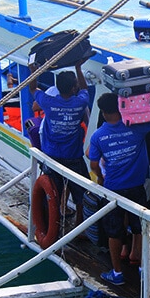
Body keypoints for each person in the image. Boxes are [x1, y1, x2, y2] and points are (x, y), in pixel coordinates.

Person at [88, 79, 150, 286]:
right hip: (137, 187)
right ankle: (143, 269)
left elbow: (94, 164)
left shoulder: (98, 136)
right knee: (139, 228)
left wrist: (102, 178)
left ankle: (117, 273)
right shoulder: (136, 128)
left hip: (113, 190)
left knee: (113, 233)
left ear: (103, 113)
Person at [28, 60, 90, 226]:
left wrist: (33, 70)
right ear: (73, 88)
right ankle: (80, 226)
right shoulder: (80, 103)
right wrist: (78, 67)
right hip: (74, 157)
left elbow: (33, 89)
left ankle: (51, 225)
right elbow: (85, 90)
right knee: (81, 195)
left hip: (52, 156)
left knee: (52, 193)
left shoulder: (48, 102)